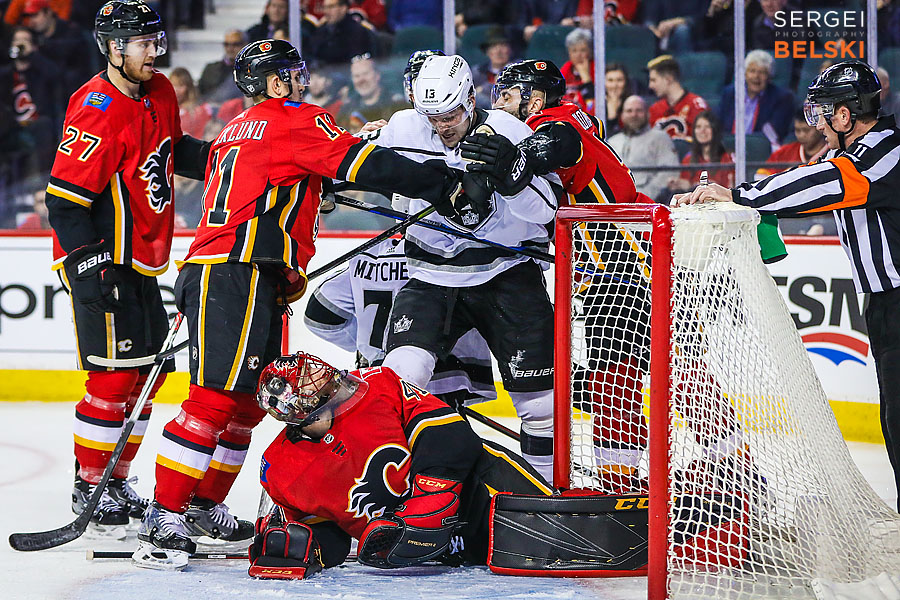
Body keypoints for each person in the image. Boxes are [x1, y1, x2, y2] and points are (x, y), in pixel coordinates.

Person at [133, 38, 481, 569]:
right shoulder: (294, 119)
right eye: (295, 74)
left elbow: (277, 182)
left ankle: (203, 505)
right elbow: (365, 163)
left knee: (248, 403)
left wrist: (318, 188)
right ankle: (164, 515)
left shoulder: (236, 127)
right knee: (212, 401)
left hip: (242, 274)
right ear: (276, 83)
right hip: (234, 272)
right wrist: (443, 183)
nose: (303, 82)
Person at [674, 60, 900, 512]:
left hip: (896, 301)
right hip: (885, 303)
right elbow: (810, 178)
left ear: (845, 115)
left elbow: (828, 183)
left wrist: (740, 195)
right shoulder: (858, 151)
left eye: (823, 113)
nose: (817, 123)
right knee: (893, 417)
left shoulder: (883, 152)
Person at [44, 0, 209, 537]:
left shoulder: (159, 91)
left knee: (145, 376)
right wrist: (87, 265)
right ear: (113, 47)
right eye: (143, 43)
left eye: (156, 41)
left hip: (141, 259)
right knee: (113, 377)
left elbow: (174, 151)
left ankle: (115, 481)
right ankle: (89, 483)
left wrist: (234, 159)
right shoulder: (96, 105)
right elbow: (64, 199)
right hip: (103, 260)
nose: (154, 52)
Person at [361, 54, 560, 482]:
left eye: (450, 115)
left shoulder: (510, 130)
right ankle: (408, 492)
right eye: (432, 116)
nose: (442, 126)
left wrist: (512, 177)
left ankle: (545, 496)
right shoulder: (403, 128)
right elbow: (358, 166)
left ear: (471, 99)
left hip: (507, 274)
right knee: (399, 384)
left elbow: (548, 212)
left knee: (541, 406)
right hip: (430, 277)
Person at [250, 351, 553, 577]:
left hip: (478, 496)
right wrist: (306, 547)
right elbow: (330, 538)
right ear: (297, 409)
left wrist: (431, 496)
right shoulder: (280, 467)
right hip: (421, 564)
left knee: (562, 533)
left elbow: (450, 433)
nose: (321, 382)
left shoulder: (379, 383)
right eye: (309, 384)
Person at [304, 237, 497, 407]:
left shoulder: (369, 255)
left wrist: (366, 345)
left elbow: (318, 313)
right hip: (442, 374)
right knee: (439, 433)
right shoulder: (445, 252)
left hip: (379, 375)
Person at [717, 49, 794, 150]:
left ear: (769, 77)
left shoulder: (781, 98)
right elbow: (719, 125)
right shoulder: (730, 94)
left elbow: (774, 133)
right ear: (745, 74)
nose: (756, 76)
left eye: (762, 72)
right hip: (729, 149)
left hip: (758, 150)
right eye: (752, 71)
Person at [607, 95, 679, 201]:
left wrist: (642, 198)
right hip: (617, 202)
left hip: (650, 201)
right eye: (629, 111)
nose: (634, 115)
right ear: (622, 115)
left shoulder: (661, 138)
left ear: (648, 114)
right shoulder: (612, 142)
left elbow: (669, 173)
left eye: (639, 110)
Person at [667, 110, 733, 194]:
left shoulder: (727, 158)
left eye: (707, 126)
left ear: (714, 130)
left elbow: (730, 190)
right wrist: (678, 184)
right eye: (698, 127)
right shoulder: (688, 159)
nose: (702, 131)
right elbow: (686, 187)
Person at [646, 54, 709, 142]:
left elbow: (707, 141)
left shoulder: (696, 105)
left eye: (653, 80)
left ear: (668, 79)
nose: (650, 86)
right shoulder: (654, 109)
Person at [335, 53, 405, 133]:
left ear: (377, 75)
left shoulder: (397, 105)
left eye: (365, 73)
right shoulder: (346, 111)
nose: (361, 80)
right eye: (357, 76)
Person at [308, 0, 377, 66]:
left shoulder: (358, 32)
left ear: (343, 8)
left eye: (331, 7)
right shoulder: (321, 31)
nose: (326, 11)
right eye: (325, 7)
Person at [197, 29, 247, 102]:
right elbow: (199, 94)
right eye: (226, 44)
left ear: (245, 45)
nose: (230, 48)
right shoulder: (210, 69)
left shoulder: (251, 71)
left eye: (235, 44)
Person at [168, 67, 213, 139]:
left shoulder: (200, 110)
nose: (176, 90)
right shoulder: (164, 109)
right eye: (173, 85)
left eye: (180, 85)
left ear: (189, 87)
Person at [559, 27, 594, 114]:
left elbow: (593, 103)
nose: (578, 55)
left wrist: (586, 79)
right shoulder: (566, 69)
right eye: (574, 51)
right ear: (569, 53)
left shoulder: (595, 69)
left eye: (583, 50)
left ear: (590, 52)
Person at [604, 62, 635, 138]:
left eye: (619, 80)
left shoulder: (634, 105)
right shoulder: (597, 105)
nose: (615, 85)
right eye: (610, 80)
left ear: (626, 82)